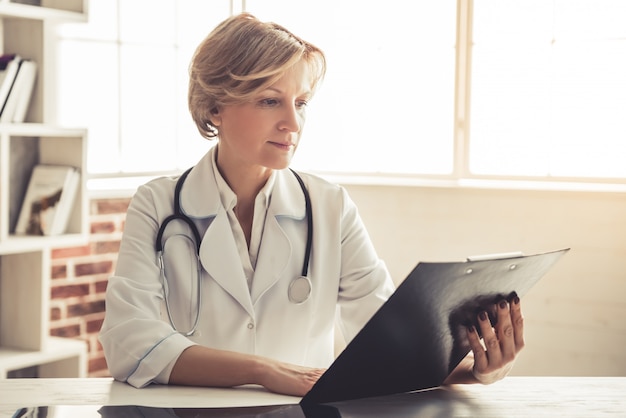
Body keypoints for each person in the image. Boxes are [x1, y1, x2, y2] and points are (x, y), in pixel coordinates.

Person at [99, 12, 523, 397]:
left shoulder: (330, 207)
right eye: (270, 100)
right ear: (214, 106)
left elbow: (389, 341)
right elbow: (127, 341)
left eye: (300, 103)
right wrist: (264, 370)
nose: (293, 123)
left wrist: (478, 369)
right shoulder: (157, 204)